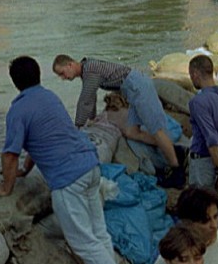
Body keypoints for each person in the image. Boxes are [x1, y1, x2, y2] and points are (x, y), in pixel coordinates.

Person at [0, 56, 135, 264]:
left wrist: (6, 187)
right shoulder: (49, 98)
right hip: (90, 166)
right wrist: (27, 170)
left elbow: (10, 154)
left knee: (81, 241)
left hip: (69, 179)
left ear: (15, 82)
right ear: (39, 76)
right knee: (98, 234)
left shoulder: (18, 110)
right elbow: (41, 141)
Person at [52, 55, 185, 188]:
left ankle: (176, 169)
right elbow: (90, 97)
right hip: (131, 91)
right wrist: (91, 118)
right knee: (131, 132)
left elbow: (85, 100)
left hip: (138, 87)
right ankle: (173, 149)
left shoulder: (89, 69)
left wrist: (78, 127)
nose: (63, 78)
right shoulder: (87, 70)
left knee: (156, 130)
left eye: (62, 73)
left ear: (70, 65)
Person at [187, 55, 218, 232]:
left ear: (196, 73)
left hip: (207, 163)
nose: (191, 79)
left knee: (201, 211)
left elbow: (211, 138)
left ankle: (205, 250)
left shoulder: (198, 102)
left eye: (191, 75)